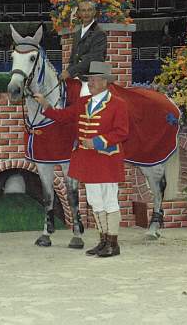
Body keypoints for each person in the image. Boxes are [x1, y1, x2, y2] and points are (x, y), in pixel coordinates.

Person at [34, 62, 129, 258]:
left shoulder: (118, 104)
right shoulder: (83, 102)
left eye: (94, 80)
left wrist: (98, 142)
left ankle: (113, 242)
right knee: (95, 201)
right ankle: (103, 241)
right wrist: (45, 105)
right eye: (89, 80)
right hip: (87, 161)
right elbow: (62, 116)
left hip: (106, 159)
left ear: (104, 82)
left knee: (110, 201)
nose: (90, 83)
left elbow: (122, 132)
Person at [60, 0, 107, 96]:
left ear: (94, 12)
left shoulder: (99, 33)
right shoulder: (77, 33)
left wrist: (70, 72)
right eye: (83, 10)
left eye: (89, 10)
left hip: (91, 78)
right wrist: (66, 73)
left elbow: (94, 58)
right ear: (79, 13)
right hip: (78, 76)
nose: (86, 13)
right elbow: (73, 59)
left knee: (83, 96)